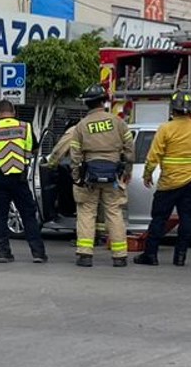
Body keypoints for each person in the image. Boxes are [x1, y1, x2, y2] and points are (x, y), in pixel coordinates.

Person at [47, 85, 135, 267]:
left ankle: (85, 254)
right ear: (104, 101)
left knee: (86, 213)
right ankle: (120, 256)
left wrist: (77, 176)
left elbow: (76, 154)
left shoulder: (81, 126)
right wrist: (126, 171)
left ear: (87, 103)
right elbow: (129, 149)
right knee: (114, 213)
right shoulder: (118, 122)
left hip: (88, 176)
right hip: (113, 175)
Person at [137, 91, 191, 266]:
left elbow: (154, 155)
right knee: (186, 219)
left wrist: (147, 174)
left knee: (159, 219)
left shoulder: (165, 129)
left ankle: (151, 255)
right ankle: (180, 257)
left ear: (173, 109)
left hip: (168, 183)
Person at [0, 99, 44, 263]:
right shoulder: (25, 127)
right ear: (13, 112)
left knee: (0, 216)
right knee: (28, 215)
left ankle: (4, 253)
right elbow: (35, 150)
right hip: (19, 178)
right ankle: (38, 253)